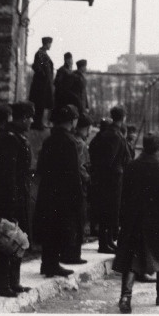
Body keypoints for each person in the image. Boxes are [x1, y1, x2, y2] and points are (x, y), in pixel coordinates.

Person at [112, 133, 159, 313]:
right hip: (157, 225)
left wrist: (121, 221)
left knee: (131, 260)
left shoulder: (131, 167)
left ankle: (125, 297)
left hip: (133, 221)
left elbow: (123, 197)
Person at [0, 102, 35, 296]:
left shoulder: (17, 137)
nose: (32, 121)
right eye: (30, 117)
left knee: (18, 240)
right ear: (21, 118)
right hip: (9, 199)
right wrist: (11, 203)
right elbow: (8, 176)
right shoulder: (9, 139)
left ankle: (14, 282)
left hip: (19, 198)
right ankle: (2, 285)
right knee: (5, 240)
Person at [33, 105, 83, 277]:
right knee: (60, 227)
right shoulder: (69, 142)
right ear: (71, 121)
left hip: (48, 190)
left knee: (49, 227)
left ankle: (48, 263)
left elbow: (40, 168)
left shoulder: (49, 140)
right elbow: (73, 172)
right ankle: (52, 264)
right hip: (64, 193)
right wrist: (78, 195)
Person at [88, 105, 131, 254]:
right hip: (111, 179)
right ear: (123, 117)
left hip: (111, 177)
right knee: (108, 210)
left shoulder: (111, 132)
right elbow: (111, 158)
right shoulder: (113, 134)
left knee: (110, 210)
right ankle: (104, 243)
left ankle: (108, 241)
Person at [61, 112, 93, 264]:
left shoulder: (74, 140)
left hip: (70, 186)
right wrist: (88, 178)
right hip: (79, 186)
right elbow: (80, 167)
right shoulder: (79, 144)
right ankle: (73, 254)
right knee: (77, 220)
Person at [28, 37, 54, 130]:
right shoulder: (40, 53)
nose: (50, 45)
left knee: (42, 104)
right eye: (50, 43)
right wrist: (43, 76)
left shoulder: (44, 54)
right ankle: (37, 123)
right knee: (39, 103)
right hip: (41, 85)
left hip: (45, 84)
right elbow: (36, 66)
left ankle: (39, 122)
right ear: (46, 43)